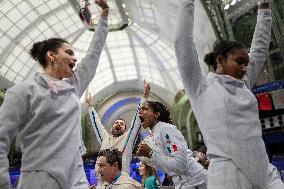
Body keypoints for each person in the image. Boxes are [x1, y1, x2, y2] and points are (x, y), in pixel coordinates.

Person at [174, 0, 284, 188]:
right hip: (229, 176)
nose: (244, 67)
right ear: (220, 60)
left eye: (246, 63)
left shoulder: (243, 84)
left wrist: (264, 8)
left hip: (264, 171)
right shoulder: (200, 88)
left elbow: (260, 48)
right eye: (239, 61)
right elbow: (182, 42)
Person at [0, 1, 109, 188]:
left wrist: (104, 16)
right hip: (39, 178)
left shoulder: (73, 88)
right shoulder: (22, 92)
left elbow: (93, 54)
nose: (75, 58)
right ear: (52, 56)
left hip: (76, 175)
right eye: (69, 52)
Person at [85, 80, 150, 188]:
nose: (118, 124)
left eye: (121, 124)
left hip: (121, 182)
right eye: (116, 123)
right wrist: (90, 107)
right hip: (101, 183)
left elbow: (137, 120)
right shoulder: (105, 138)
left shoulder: (127, 138)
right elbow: (97, 125)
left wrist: (145, 96)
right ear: (111, 128)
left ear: (125, 130)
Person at [136, 100, 207, 189]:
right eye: (139, 110)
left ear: (156, 114)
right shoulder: (153, 135)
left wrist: (150, 153)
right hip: (183, 183)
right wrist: (146, 158)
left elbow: (180, 165)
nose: (140, 112)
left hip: (195, 181)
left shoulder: (165, 129)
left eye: (145, 109)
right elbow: (166, 165)